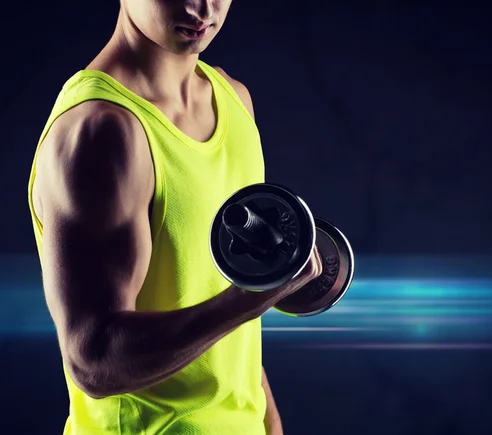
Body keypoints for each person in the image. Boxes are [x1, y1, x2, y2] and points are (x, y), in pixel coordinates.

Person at [27, 1, 323, 434]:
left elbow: (227, 336)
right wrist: (248, 300)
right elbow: (94, 361)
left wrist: (268, 424)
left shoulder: (233, 99)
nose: (202, 6)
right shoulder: (102, 131)